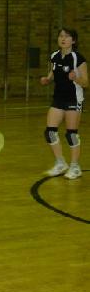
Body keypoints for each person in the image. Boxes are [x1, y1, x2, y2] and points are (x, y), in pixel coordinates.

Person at [40, 28, 88, 179]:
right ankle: (60, 163)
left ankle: (75, 167)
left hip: (74, 99)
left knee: (71, 134)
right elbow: (54, 71)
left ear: (73, 40)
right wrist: (47, 79)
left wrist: (76, 78)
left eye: (67, 36)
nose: (63, 39)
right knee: (50, 132)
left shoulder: (78, 58)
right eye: (61, 36)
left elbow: (86, 83)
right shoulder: (54, 56)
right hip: (58, 98)